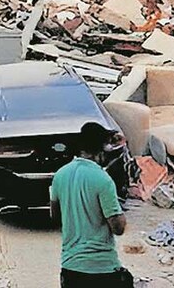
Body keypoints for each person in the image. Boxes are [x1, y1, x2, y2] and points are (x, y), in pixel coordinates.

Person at [49, 122, 132, 288]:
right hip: (102, 269)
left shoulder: (60, 175)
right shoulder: (103, 179)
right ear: (101, 150)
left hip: (70, 267)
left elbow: (55, 216)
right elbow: (118, 228)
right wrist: (120, 214)